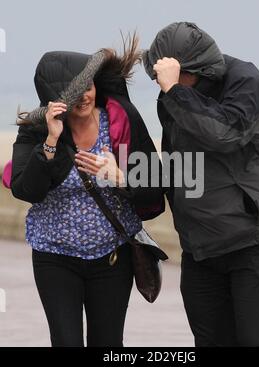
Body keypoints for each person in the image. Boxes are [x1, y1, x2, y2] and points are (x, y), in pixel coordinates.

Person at [143, 21, 259, 347]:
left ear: (198, 69)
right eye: (159, 78)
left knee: (256, 341)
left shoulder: (247, 83)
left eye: (169, 76)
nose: (163, 84)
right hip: (200, 246)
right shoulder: (173, 97)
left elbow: (225, 134)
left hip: (252, 239)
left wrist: (176, 91)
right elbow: (180, 165)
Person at [11, 34, 164, 347]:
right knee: (66, 341)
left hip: (112, 256)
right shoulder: (36, 131)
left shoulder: (122, 121)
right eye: (74, 93)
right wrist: (51, 143)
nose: (84, 97)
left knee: (107, 344)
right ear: (56, 99)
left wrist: (121, 178)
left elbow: (154, 189)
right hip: (55, 257)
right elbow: (27, 190)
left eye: (88, 87)